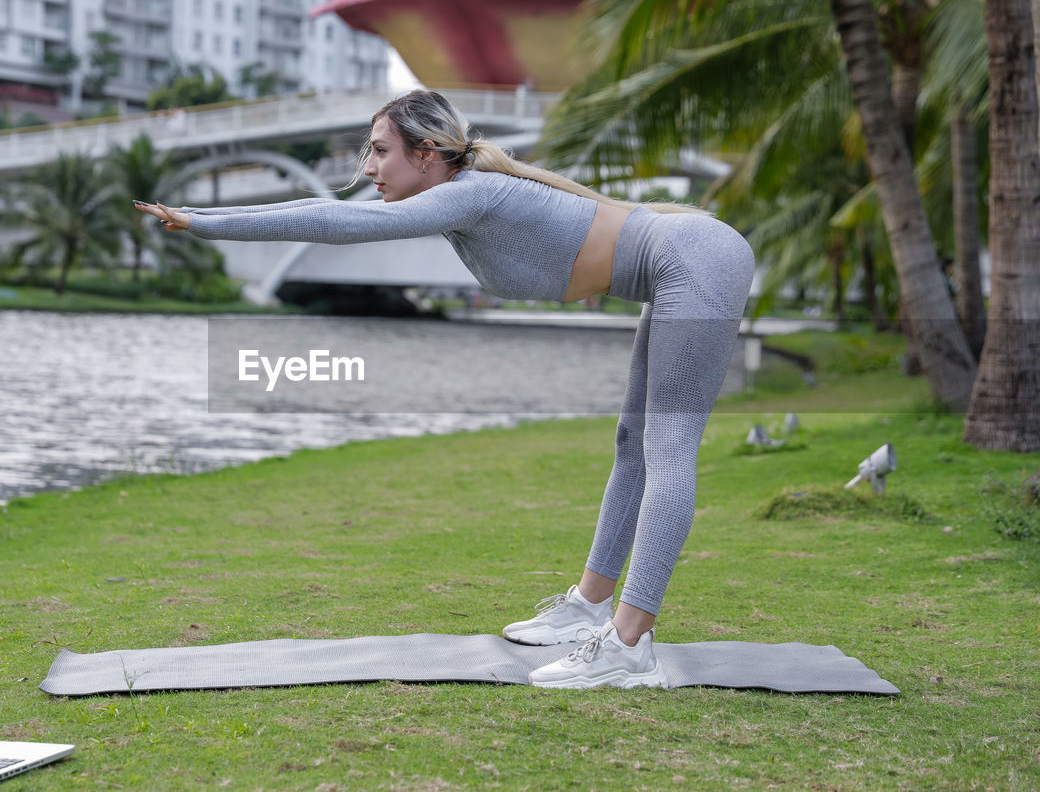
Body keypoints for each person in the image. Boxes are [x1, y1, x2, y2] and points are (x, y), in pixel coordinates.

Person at [136, 90, 755, 690]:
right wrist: (202, 221)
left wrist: (202, 223)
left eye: (380, 151)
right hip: (682, 264)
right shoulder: (464, 200)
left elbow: (332, 219)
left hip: (697, 261)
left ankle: (628, 647)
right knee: (632, 442)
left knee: (669, 450)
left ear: (427, 152)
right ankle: (590, 608)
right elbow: (333, 211)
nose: (370, 167)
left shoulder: (471, 194)